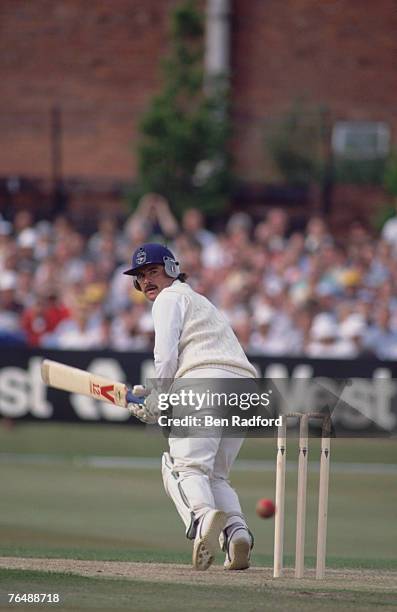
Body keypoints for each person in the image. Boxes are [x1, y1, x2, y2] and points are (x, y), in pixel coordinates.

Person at [123, 243, 257, 571]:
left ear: (171, 269)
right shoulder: (200, 301)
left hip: (203, 382)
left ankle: (201, 519)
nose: (147, 280)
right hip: (244, 389)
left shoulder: (169, 298)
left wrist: (160, 395)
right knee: (216, 476)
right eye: (141, 276)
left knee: (182, 467)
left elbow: (165, 355)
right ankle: (237, 533)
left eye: (153, 271)